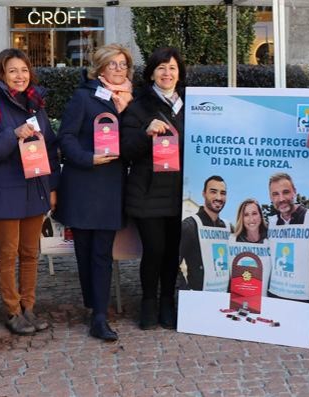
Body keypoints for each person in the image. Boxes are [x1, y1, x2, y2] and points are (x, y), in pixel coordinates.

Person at [0, 48, 60, 336]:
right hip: (4, 191)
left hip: (34, 188)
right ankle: (13, 311)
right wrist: (13, 134)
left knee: (31, 253)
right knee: (8, 254)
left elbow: (51, 148)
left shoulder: (37, 106)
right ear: (1, 74)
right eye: (12, 71)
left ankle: (29, 307)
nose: (19, 76)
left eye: (23, 70)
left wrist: (52, 186)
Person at [54, 44, 134, 342]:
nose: (117, 69)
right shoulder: (83, 97)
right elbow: (66, 136)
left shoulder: (132, 101)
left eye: (122, 64)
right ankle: (92, 305)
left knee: (102, 252)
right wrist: (87, 158)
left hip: (111, 185)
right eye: (111, 64)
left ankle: (100, 315)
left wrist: (127, 113)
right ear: (100, 69)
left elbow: (133, 140)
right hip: (83, 183)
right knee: (84, 252)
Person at [120, 47, 186, 330]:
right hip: (147, 191)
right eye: (161, 68)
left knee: (173, 251)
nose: (167, 73)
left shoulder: (192, 104)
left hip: (180, 190)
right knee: (154, 249)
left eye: (172, 68)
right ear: (151, 74)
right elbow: (124, 149)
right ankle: (148, 301)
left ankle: (167, 302)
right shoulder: (139, 106)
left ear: (179, 73)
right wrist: (146, 133)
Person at [266, 173, 309, 304]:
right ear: (271, 197)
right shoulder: (270, 223)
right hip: (274, 295)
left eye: (286, 192)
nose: (281, 198)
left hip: (304, 299)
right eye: (275, 194)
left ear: (294, 192)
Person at [180, 176, 230, 291]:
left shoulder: (228, 228)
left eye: (223, 193)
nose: (219, 197)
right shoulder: (189, 226)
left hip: (224, 300)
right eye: (213, 192)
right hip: (199, 300)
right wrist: (186, 292)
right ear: (204, 194)